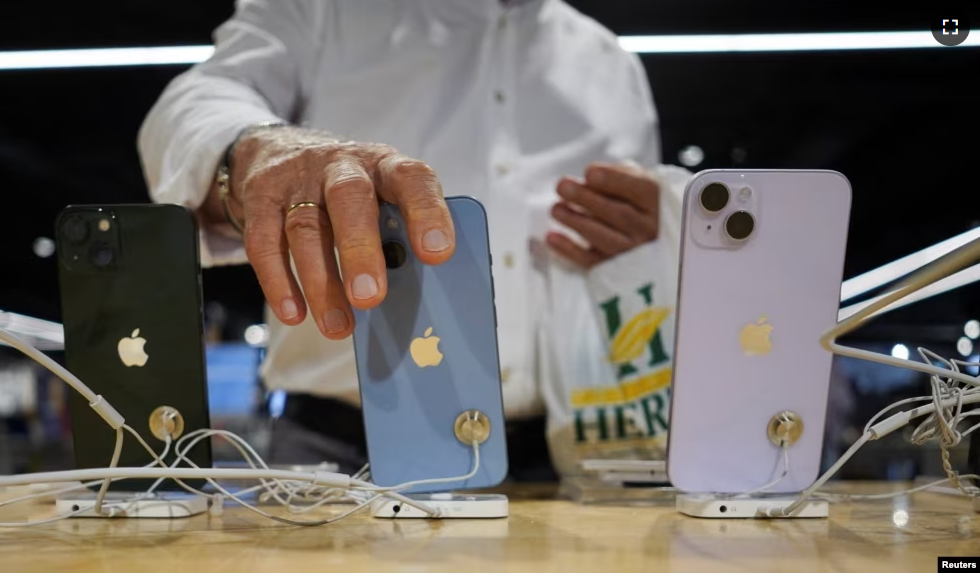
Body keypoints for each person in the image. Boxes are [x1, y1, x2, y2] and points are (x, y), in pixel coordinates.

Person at [139, 0, 685, 480]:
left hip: (567, 447)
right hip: (343, 449)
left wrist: (662, 236)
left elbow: (637, 264)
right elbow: (202, 96)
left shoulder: (610, 60)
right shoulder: (325, 8)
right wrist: (255, 148)